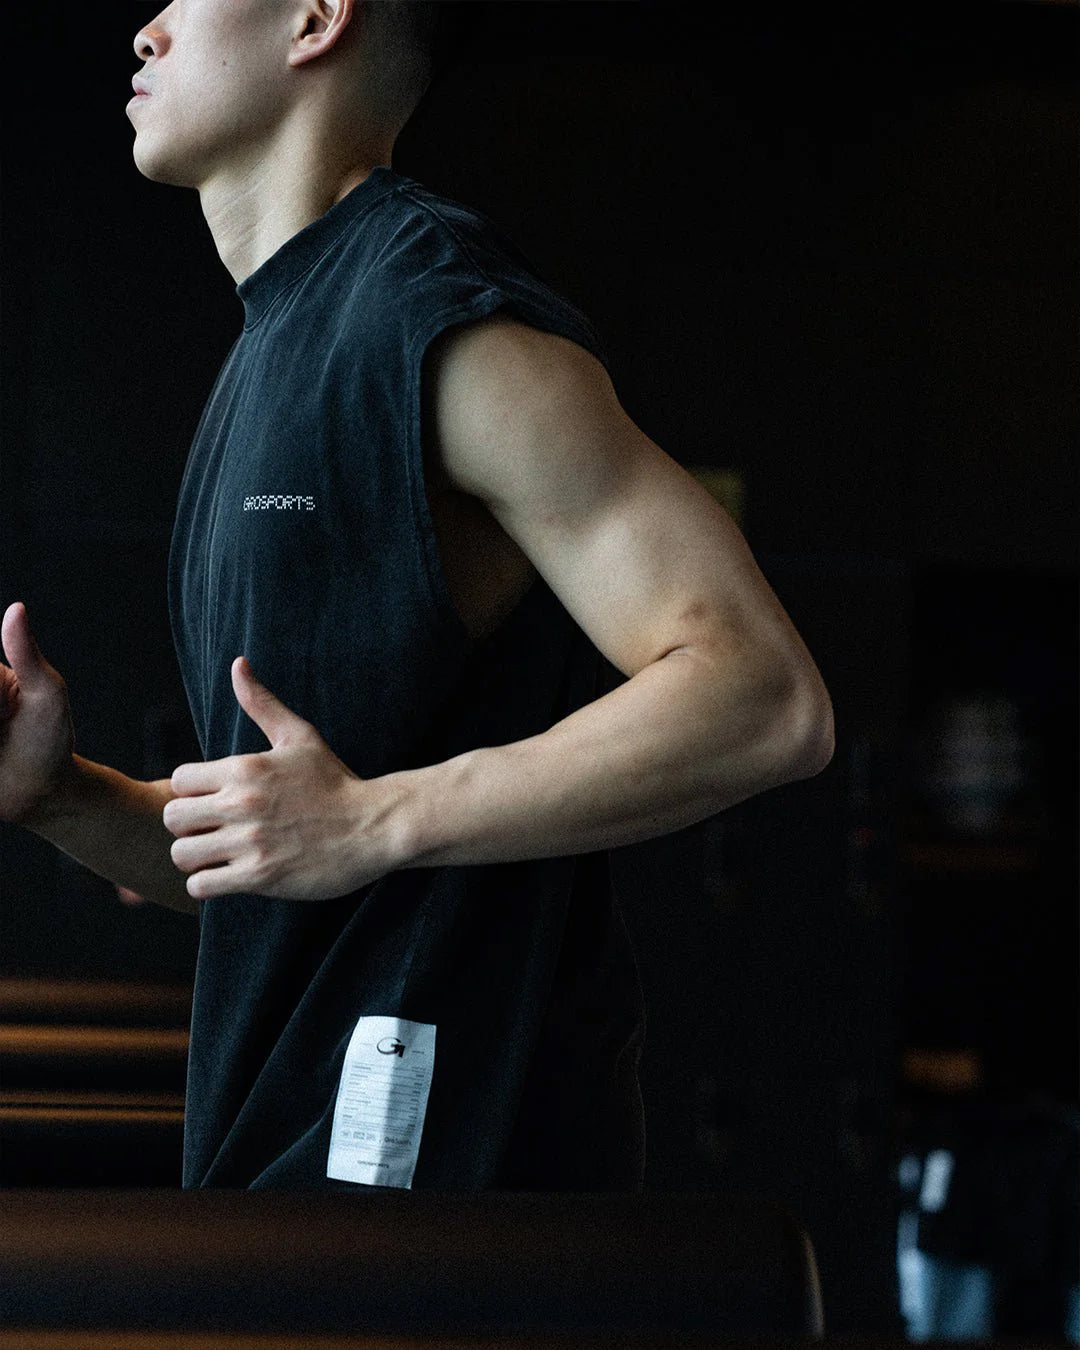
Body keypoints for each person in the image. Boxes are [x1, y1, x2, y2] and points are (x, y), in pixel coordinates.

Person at [0, 0, 834, 1190]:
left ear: (315, 20)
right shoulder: (270, 348)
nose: (146, 28)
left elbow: (766, 696)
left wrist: (374, 819)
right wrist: (54, 796)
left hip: (451, 1184)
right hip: (286, 1159)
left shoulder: (442, 323)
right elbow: (288, 860)